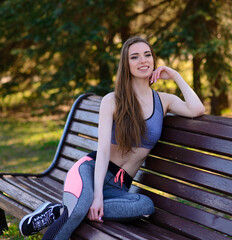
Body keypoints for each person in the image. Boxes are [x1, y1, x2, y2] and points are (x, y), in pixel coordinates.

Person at [18, 36, 205, 239]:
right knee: (78, 212)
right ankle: (72, 209)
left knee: (144, 206)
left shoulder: (164, 100)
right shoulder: (113, 100)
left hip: (119, 187)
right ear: (126, 64)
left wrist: (175, 75)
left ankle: (58, 212)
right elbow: (104, 150)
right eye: (135, 57)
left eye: (147, 55)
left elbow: (197, 109)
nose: (143, 60)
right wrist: (97, 194)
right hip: (90, 172)